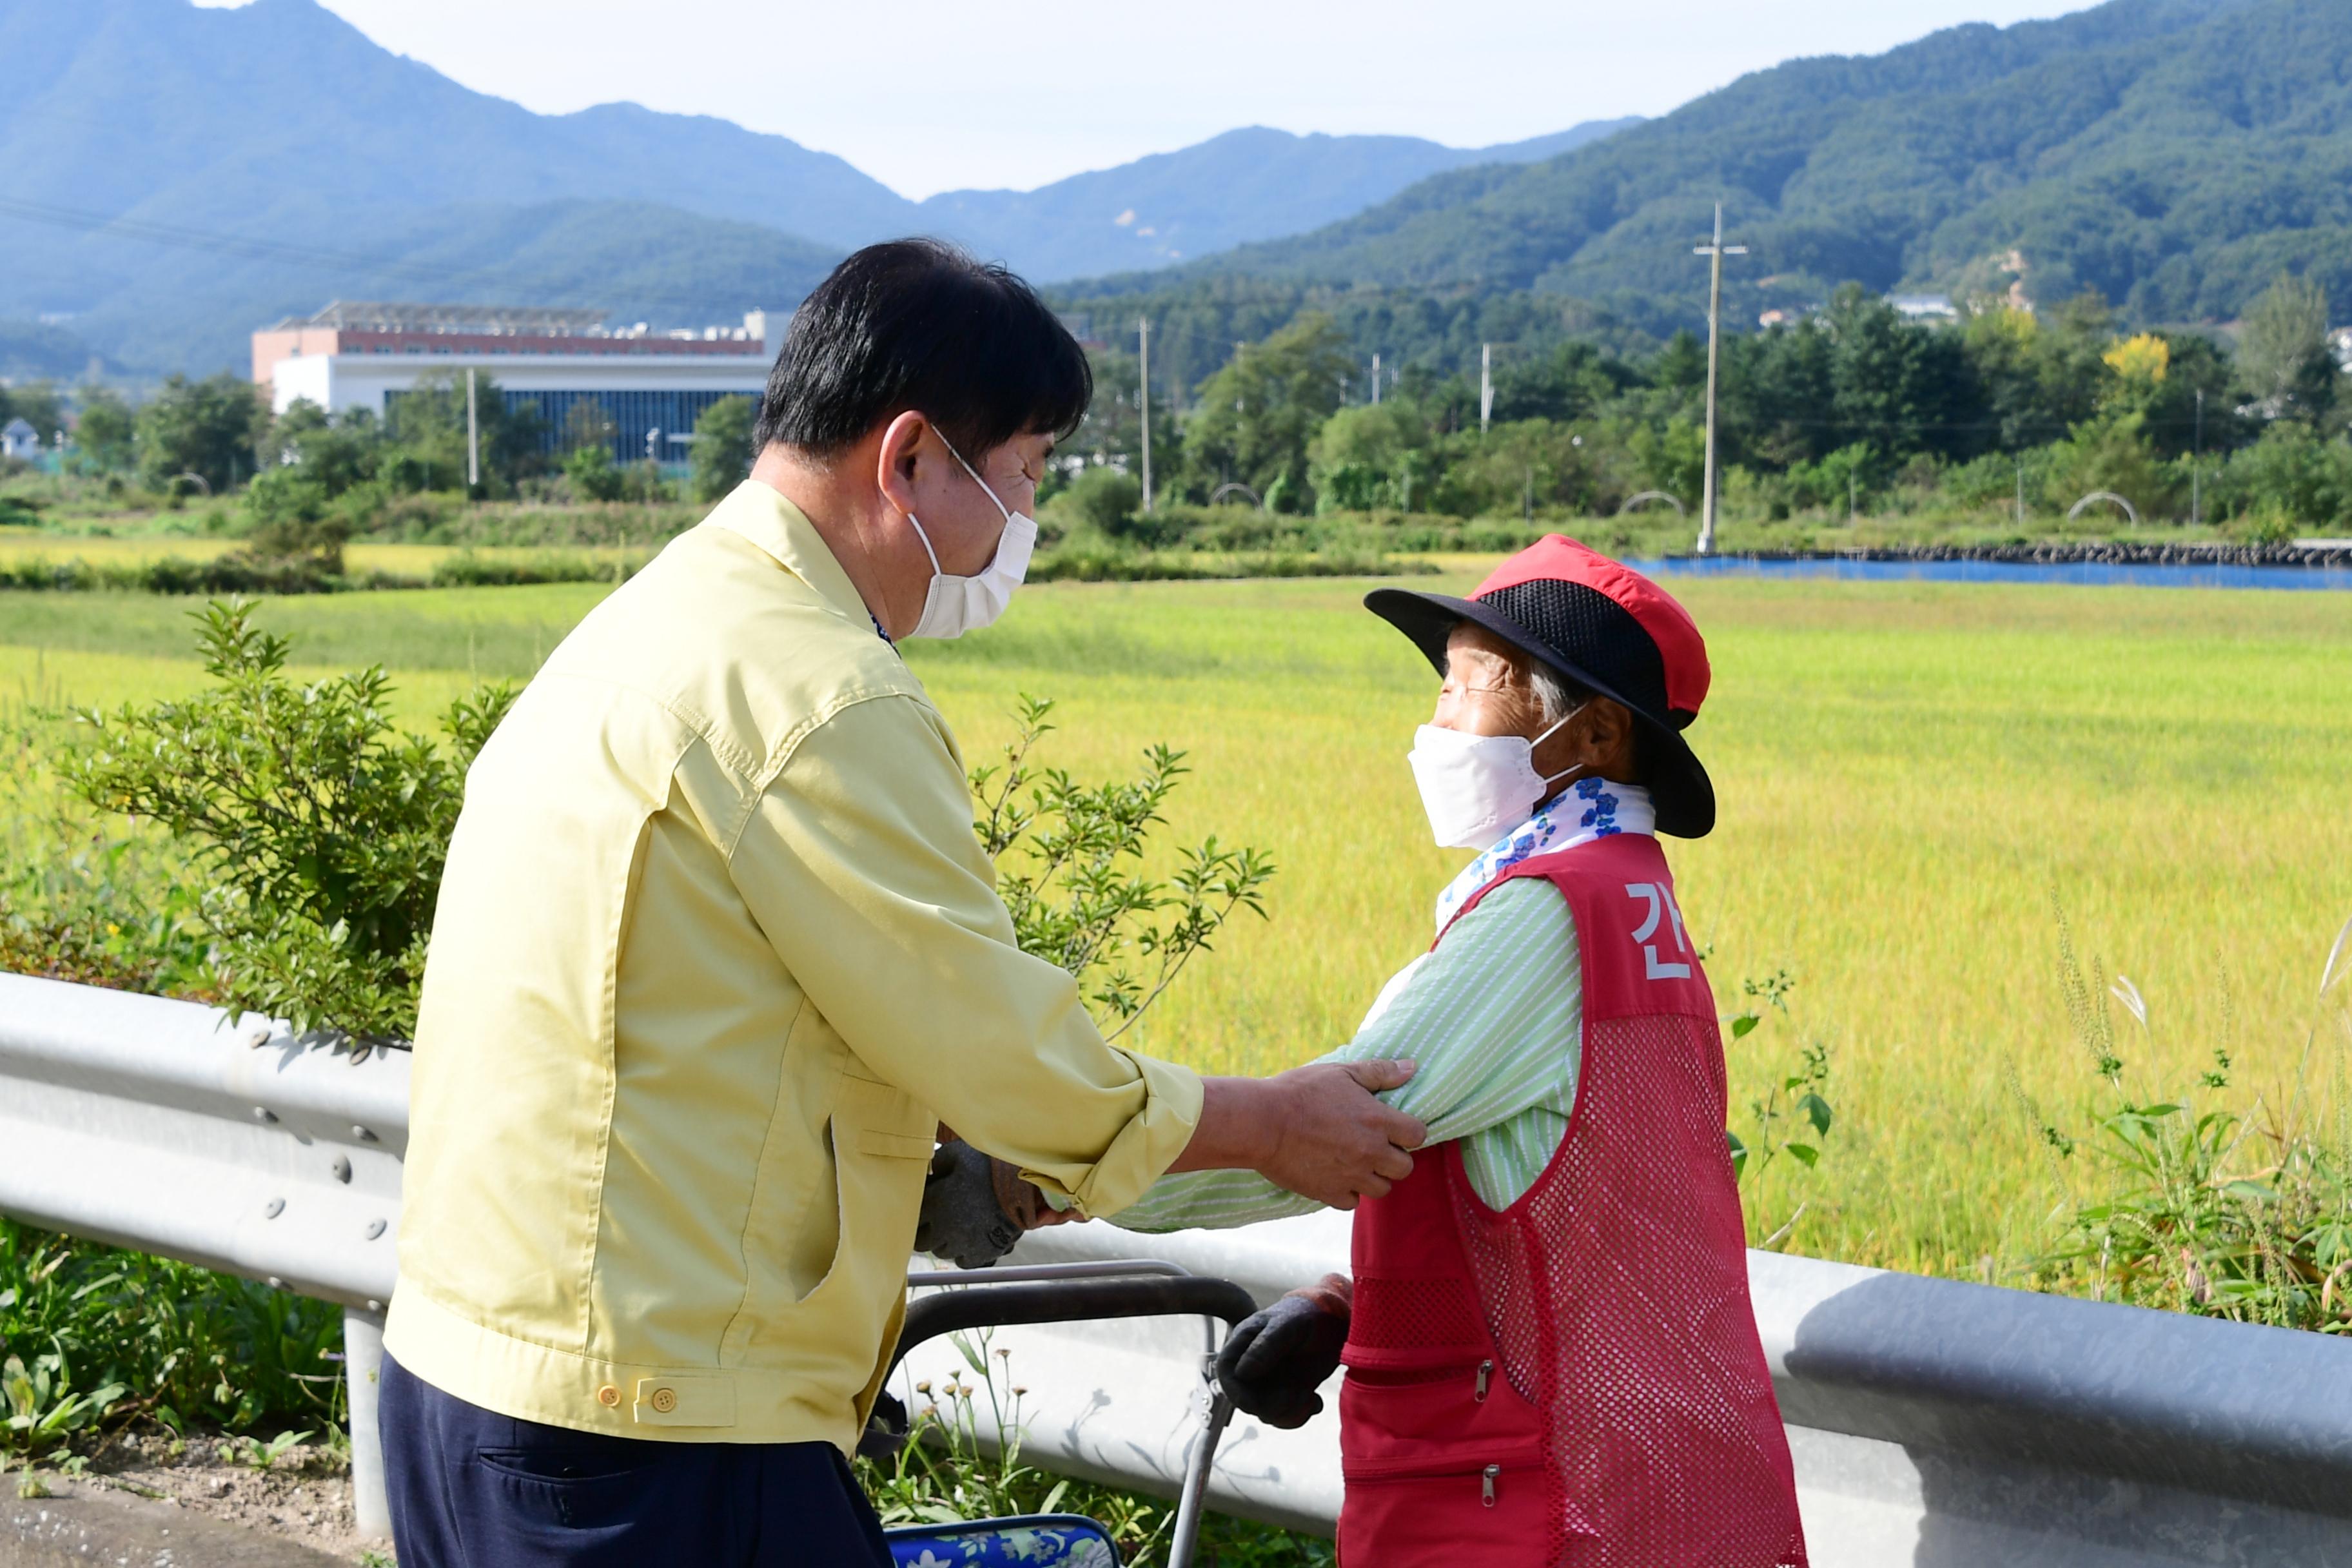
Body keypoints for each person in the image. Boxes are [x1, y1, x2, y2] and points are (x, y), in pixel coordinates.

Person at [378, 239, 1426, 1567]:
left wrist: (939, 1169)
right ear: (913, 457)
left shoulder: (642, 632)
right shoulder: (821, 693)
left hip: (467, 1378)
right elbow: (1002, 1051)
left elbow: (715, 1010)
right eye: (1029, 474)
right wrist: (1270, 1121)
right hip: (659, 1429)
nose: (1022, 526)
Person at [1108, 537, 1808, 1567]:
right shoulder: (1630, 902)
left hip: (1552, 1504)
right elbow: (1593, 1213)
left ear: (1597, 732)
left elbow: (1337, 1130)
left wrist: (1050, 1162)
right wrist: (1351, 1305)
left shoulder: (1545, 919)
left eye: (1465, 690)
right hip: (1661, 1486)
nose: (1435, 727)